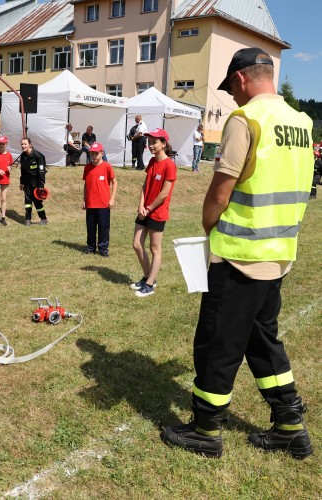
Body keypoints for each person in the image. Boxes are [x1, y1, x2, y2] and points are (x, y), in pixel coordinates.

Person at [161, 48, 314, 459]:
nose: (232, 97)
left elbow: (221, 190)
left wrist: (208, 227)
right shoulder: (301, 122)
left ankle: (206, 429)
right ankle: (289, 425)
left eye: (231, 88)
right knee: (263, 341)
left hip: (239, 254)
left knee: (218, 343)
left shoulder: (245, 121)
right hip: (279, 253)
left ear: (243, 78)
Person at [130, 128, 176, 297]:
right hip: (144, 210)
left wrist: (149, 209)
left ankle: (149, 284)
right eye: (149, 142)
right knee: (136, 244)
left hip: (157, 212)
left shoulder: (170, 165)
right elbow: (145, 185)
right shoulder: (151, 162)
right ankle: (148, 277)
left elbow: (164, 193)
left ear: (164, 144)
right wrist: (141, 206)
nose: (150, 145)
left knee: (155, 248)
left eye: (154, 142)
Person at [82, 142, 118, 257]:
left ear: (102, 153)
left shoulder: (107, 166)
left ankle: (103, 249)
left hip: (103, 204)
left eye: (96, 154)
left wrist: (112, 199)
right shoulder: (87, 167)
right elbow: (86, 185)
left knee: (103, 227)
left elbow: (114, 182)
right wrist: (84, 199)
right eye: (92, 154)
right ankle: (90, 247)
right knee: (90, 227)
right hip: (90, 203)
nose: (93, 156)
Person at [19, 136, 48, 226]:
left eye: (25, 144)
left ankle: (43, 219)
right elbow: (22, 171)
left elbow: (42, 171)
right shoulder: (23, 156)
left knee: (37, 201)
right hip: (27, 181)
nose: (23, 146)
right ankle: (28, 219)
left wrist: (41, 184)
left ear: (30, 145)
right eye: (22, 144)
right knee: (27, 202)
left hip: (36, 181)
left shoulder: (37, 155)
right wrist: (21, 182)